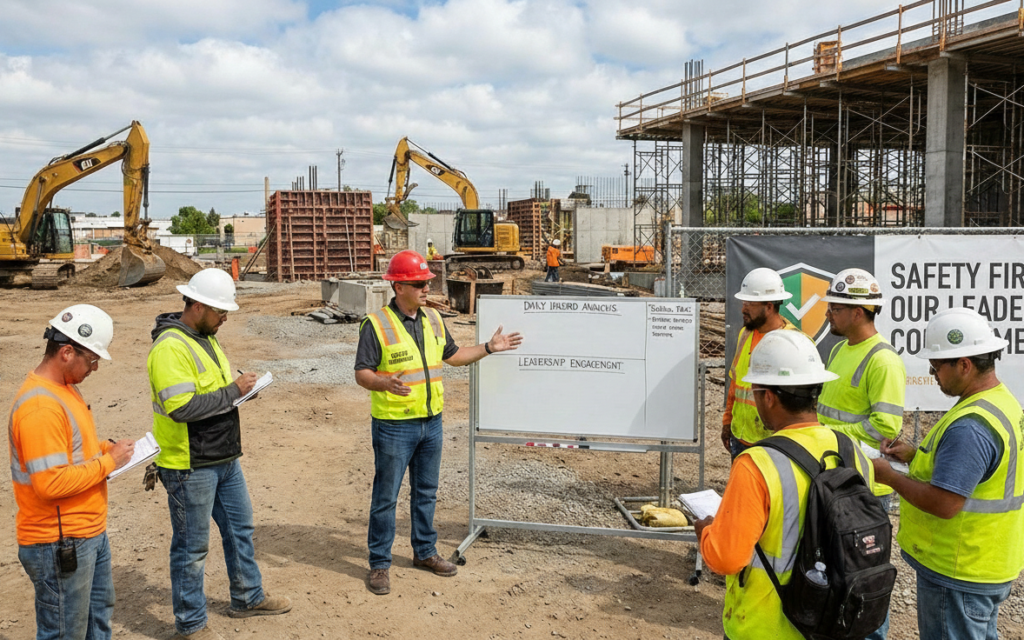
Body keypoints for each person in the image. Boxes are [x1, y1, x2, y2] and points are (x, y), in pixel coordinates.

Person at [354, 250, 523, 595]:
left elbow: (454, 356)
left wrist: (489, 348)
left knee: (426, 492)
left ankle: (424, 552)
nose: (427, 288)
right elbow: (362, 373)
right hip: (394, 425)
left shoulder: (432, 318)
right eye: (419, 283)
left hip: (431, 423)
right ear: (399, 287)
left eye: (427, 282)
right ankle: (380, 563)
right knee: (386, 497)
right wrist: (383, 383)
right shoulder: (376, 324)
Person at [695, 330, 875, 639]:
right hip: (833, 624)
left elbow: (726, 557)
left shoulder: (756, 465)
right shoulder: (853, 452)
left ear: (768, 396)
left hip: (767, 628)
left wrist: (707, 532)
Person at [148, 268, 291, 640]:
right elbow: (181, 408)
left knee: (240, 529)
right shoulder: (170, 347)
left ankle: (247, 597)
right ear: (197, 305)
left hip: (222, 456)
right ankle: (191, 624)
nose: (225, 318)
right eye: (220, 311)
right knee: (192, 548)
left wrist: (242, 392)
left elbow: (215, 393)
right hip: (189, 464)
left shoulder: (205, 338)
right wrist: (233, 392)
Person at [873, 307, 1023, 640]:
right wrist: (915, 456)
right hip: (985, 563)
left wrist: (889, 476)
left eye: (936, 366)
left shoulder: (971, 426)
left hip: (958, 569)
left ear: (964, 365)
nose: (932, 374)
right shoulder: (1000, 402)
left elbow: (945, 503)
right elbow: (977, 473)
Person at [9, 304, 135, 640]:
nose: (95, 367)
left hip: (84, 533)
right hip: (59, 541)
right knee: (66, 633)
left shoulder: (64, 389)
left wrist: (105, 448)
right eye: (92, 359)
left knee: (97, 623)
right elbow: (50, 483)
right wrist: (109, 463)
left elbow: (73, 449)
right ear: (67, 352)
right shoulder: (40, 406)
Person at [816, 267, 904, 640]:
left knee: (864, 578)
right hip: (836, 479)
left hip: (864, 489)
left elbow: (885, 427)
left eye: (834, 308)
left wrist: (828, 436)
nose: (827, 314)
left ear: (858, 312)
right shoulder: (840, 349)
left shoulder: (883, 360)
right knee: (835, 571)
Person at [723, 267, 797, 459]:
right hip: (740, 437)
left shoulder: (791, 342)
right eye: (744, 303)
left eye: (750, 304)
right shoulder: (745, 334)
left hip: (773, 443)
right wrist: (727, 421)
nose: (743, 309)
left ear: (769, 306)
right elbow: (736, 382)